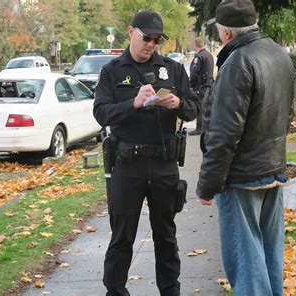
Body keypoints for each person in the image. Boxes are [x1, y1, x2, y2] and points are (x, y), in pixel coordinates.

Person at [93, 10, 199, 296]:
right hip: (128, 164)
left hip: (164, 163)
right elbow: (100, 113)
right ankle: (115, 291)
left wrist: (178, 104)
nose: (151, 44)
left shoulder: (172, 69)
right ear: (131, 32)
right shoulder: (112, 71)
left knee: (166, 235)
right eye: (146, 37)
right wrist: (133, 104)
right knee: (122, 236)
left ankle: (170, 291)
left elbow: (194, 107)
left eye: (156, 39)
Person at [196, 0, 294, 295]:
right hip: (273, 170)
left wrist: (207, 185)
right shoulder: (279, 54)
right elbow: (286, 115)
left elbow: (224, 133)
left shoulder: (238, 62)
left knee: (247, 262)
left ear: (226, 33)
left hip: (242, 177)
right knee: (268, 255)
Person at [188, 37, 215, 136]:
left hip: (200, 86)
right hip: (209, 85)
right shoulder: (209, 55)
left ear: (195, 45)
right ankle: (207, 127)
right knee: (207, 106)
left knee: (200, 106)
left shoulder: (199, 57)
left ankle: (200, 128)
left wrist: (191, 84)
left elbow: (194, 72)